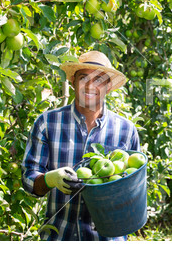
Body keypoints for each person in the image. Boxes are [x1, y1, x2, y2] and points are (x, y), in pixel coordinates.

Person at [22, 50, 140, 241]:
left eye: (99, 80)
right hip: (60, 237)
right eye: (83, 77)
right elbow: (29, 179)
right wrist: (50, 179)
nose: (90, 85)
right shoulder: (48, 123)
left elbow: (134, 191)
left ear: (108, 87)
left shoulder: (126, 130)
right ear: (73, 82)